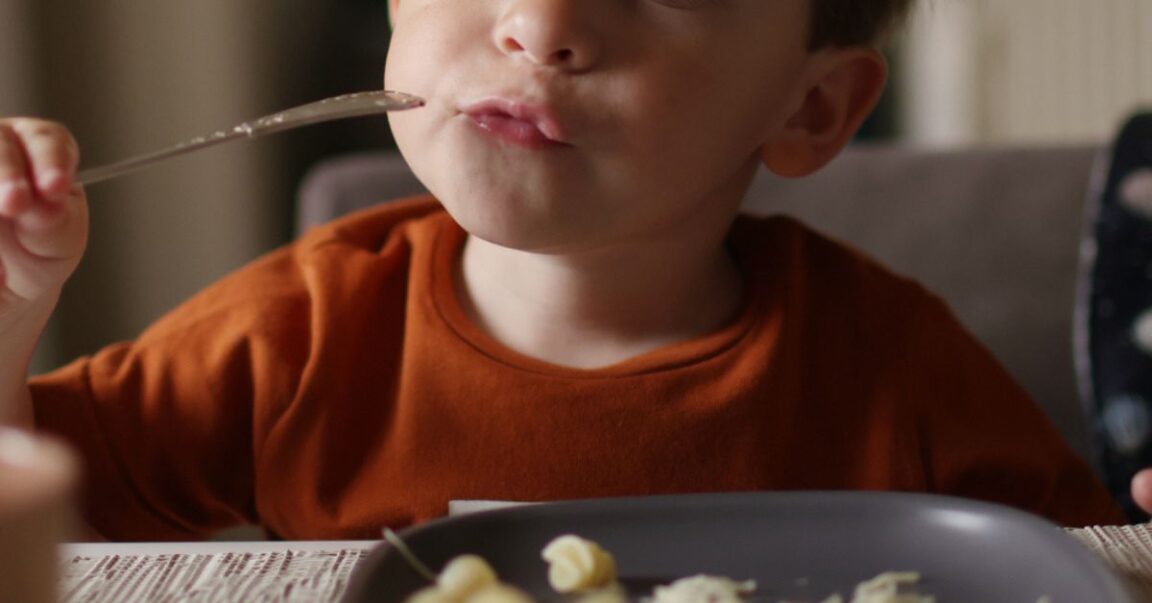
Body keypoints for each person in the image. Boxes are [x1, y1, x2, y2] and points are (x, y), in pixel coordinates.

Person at [0, 0, 1137, 541]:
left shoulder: (893, 369)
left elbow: (1087, 570)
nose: (541, 23)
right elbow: (31, 511)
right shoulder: (301, 335)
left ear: (812, 105)